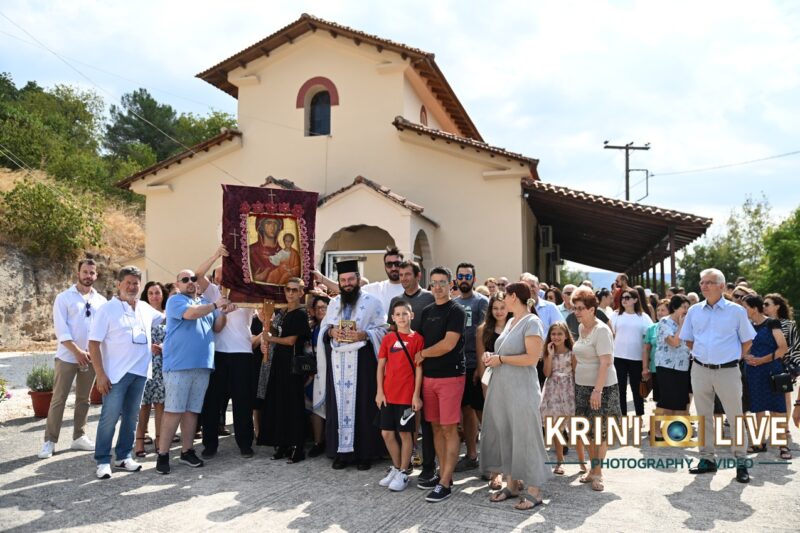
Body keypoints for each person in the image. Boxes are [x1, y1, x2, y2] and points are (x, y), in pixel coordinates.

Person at [680, 268, 756, 483]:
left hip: (728, 370)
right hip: (700, 369)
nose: (703, 286)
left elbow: (747, 340)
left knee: (735, 416)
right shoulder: (694, 310)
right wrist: (703, 355)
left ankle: (741, 461)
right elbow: (688, 339)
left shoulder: (736, 311)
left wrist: (732, 358)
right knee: (703, 415)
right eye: (702, 282)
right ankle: (707, 459)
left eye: (709, 282)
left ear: (722, 286)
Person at [88, 266, 163, 479]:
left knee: (131, 417)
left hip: (140, 372)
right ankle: (103, 460)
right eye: (128, 283)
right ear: (119, 284)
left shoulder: (145, 308)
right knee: (109, 418)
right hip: (115, 375)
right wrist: (100, 374)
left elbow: (168, 318)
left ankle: (123, 456)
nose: (132, 287)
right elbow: (93, 344)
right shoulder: (106, 309)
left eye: (136, 283)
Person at [312, 260, 387, 471]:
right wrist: (331, 332)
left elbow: (384, 330)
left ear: (358, 279)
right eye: (343, 280)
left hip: (363, 362)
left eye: (350, 279)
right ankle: (341, 453)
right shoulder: (334, 303)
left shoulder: (373, 302)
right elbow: (325, 329)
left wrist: (364, 334)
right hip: (337, 364)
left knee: (363, 407)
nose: (347, 284)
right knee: (338, 408)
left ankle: (365, 454)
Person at [481, 282, 548, 510]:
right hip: (503, 388)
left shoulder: (532, 322)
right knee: (506, 435)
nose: (502, 300)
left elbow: (532, 358)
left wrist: (501, 359)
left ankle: (534, 491)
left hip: (522, 390)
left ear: (513, 297)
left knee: (527, 437)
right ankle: (512, 485)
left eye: (505, 295)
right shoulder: (511, 322)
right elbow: (506, 352)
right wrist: (492, 356)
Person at [155, 269, 229, 475]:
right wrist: (216, 305)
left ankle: (187, 451)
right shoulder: (176, 300)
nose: (190, 282)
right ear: (178, 284)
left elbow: (218, 327)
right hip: (179, 365)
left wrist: (223, 311)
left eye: (193, 279)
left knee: (192, 411)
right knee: (173, 411)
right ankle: (163, 454)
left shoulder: (205, 302)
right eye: (185, 279)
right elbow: (191, 314)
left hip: (202, 365)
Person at [39, 258, 107, 459]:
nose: (88, 276)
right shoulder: (63, 298)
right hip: (67, 357)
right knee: (58, 398)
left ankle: (79, 437)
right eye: (85, 272)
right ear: (78, 273)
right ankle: (50, 441)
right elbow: (61, 330)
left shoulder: (101, 301)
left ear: (96, 275)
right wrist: (77, 351)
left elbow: (103, 330)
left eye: (92, 273)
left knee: (84, 399)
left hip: (91, 358)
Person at [196, 246, 259, 459]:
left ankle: (245, 444)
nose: (222, 280)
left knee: (243, 401)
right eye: (219, 277)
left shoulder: (248, 292)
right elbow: (198, 275)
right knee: (212, 402)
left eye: (226, 275)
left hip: (242, 352)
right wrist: (215, 255)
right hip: (218, 353)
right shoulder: (214, 293)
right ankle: (210, 444)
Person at [415, 266, 466, 503]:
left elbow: (448, 344)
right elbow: (418, 340)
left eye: (442, 282)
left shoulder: (456, 311)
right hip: (429, 378)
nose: (437, 287)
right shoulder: (426, 311)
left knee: (448, 428)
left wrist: (423, 354)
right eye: (434, 282)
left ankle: (444, 483)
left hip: (450, 377)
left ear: (450, 284)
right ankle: (444, 474)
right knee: (435, 427)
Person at [258, 278, 313, 463]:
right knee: (279, 404)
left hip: (292, 366)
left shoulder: (300, 314)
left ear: (301, 293)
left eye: (294, 290)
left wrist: (271, 339)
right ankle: (282, 444)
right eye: (288, 289)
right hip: (278, 363)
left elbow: (291, 341)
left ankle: (297, 447)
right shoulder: (283, 312)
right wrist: (267, 323)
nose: (290, 293)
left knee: (293, 406)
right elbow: (276, 331)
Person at [571, 288, 620, 492]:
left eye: (580, 308)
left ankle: (598, 473)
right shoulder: (581, 327)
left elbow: (606, 362)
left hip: (602, 388)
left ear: (592, 309)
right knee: (587, 431)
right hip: (582, 386)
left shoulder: (602, 330)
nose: (577, 312)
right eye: (575, 308)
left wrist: (597, 391)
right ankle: (593, 469)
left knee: (600, 432)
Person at [387, 260, 434, 470]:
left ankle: (428, 454)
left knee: (422, 409)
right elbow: (392, 331)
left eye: (407, 274)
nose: (404, 278)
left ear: (418, 276)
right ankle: (411, 452)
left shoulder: (429, 298)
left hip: (426, 358)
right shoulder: (396, 301)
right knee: (408, 410)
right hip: (403, 364)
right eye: (401, 275)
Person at [376, 300, 424, 492]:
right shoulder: (388, 339)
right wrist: (379, 391)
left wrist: (416, 395)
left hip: (406, 396)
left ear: (411, 315)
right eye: (398, 314)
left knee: (405, 434)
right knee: (386, 433)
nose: (402, 317)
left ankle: (404, 472)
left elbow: (419, 369)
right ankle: (396, 468)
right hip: (388, 395)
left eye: (405, 313)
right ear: (392, 318)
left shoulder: (418, 339)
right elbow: (381, 366)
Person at [741, 294, 789, 458]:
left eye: (745, 307)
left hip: (772, 370)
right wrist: (746, 357)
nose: (743, 310)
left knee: (777, 409)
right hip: (754, 372)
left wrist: (762, 360)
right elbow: (743, 349)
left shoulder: (772, 323)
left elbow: (783, 348)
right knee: (758, 408)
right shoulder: (747, 326)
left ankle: (783, 446)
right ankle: (759, 443)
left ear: (754, 308)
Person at [453, 262, 488, 473]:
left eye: (468, 277)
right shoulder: (453, 303)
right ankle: (472, 455)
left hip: (477, 364)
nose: (464, 280)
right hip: (459, 365)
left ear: (474, 279)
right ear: (456, 279)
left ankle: (492, 458)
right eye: (461, 276)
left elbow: (486, 335)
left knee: (483, 412)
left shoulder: (482, 302)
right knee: (466, 411)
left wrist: (480, 365)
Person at [540, 322, 584, 474]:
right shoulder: (548, 352)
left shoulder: (572, 353)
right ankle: (560, 461)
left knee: (574, 428)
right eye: (553, 334)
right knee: (556, 427)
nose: (556, 337)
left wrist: (578, 394)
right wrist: (550, 355)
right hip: (552, 390)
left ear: (566, 336)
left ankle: (582, 462)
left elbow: (576, 373)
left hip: (568, 390)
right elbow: (546, 373)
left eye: (559, 334)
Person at [476, 291, 510, 490]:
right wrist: (485, 387)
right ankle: (495, 472)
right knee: (495, 428)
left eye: (502, 307)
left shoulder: (516, 326)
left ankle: (512, 473)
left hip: (513, 381)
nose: (499, 311)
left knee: (512, 428)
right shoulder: (483, 330)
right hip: (492, 381)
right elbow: (481, 362)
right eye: (495, 308)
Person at [134, 281, 168, 457]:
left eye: (157, 292)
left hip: (163, 364)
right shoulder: (140, 314)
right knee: (144, 404)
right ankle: (139, 440)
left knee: (161, 403)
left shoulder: (169, 314)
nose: (154, 296)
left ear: (163, 295)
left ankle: (160, 440)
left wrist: (163, 346)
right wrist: (148, 347)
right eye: (151, 293)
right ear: (146, 296)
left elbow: (176, 337)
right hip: (144, 363)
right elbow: (134, 337)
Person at [315, 247, 404, 312]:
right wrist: (322, 279)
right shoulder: (377, 288)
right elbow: (346, 288)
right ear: (385, 266)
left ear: (402, 265)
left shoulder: (410, 289)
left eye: (397, 264)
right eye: (389, 264)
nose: (393, 268)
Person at [652, 296, 692, 439]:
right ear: (675, 308)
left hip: (683, 365)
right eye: (683, 307)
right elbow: (674, 342)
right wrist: (681, 326)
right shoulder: (664, 322)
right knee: (666, 400)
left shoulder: (689, 323)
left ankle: (676, 431)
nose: (686, 311)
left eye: (688, 308)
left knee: (681, 400)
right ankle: (655, 430)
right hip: (665, 365)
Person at [763, 292, 800, 447]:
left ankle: (783, 429)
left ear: (777, 306)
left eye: (767, 304)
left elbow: (795, 346)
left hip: (783, 366)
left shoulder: (789, 324)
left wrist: (794, 366)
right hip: (765, 365)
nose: (764, 307)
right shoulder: (763, 323)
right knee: (769, 398)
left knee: (784, 398)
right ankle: (775, 427)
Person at [610, 288, 652, 417]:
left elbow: (650, 336)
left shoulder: (643, 317)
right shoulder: (615, 315)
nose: (624, 300)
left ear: (635, 300)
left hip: (637, 358)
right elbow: (610, 334)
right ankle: (622, 416)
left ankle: (639, 415)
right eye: (622, 298)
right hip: (618, 357)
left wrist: (647, 363)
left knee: (637, 389)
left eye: (627, 298)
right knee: (620, 389)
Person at [306, 295, 330, 457]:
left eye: (324, 307)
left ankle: (331, 441)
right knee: (316, 407)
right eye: (318, 308)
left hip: (332, 373)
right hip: (314, 374)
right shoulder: (312, 328)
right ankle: (318, 442)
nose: (321, 310)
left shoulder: (332, 327)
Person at [250, 217, 284, 283]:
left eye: (275, 223)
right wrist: (255, 279)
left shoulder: (283, 253)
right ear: (261, 227)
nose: (272, 227)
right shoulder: (251, 250)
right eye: (268, 223)